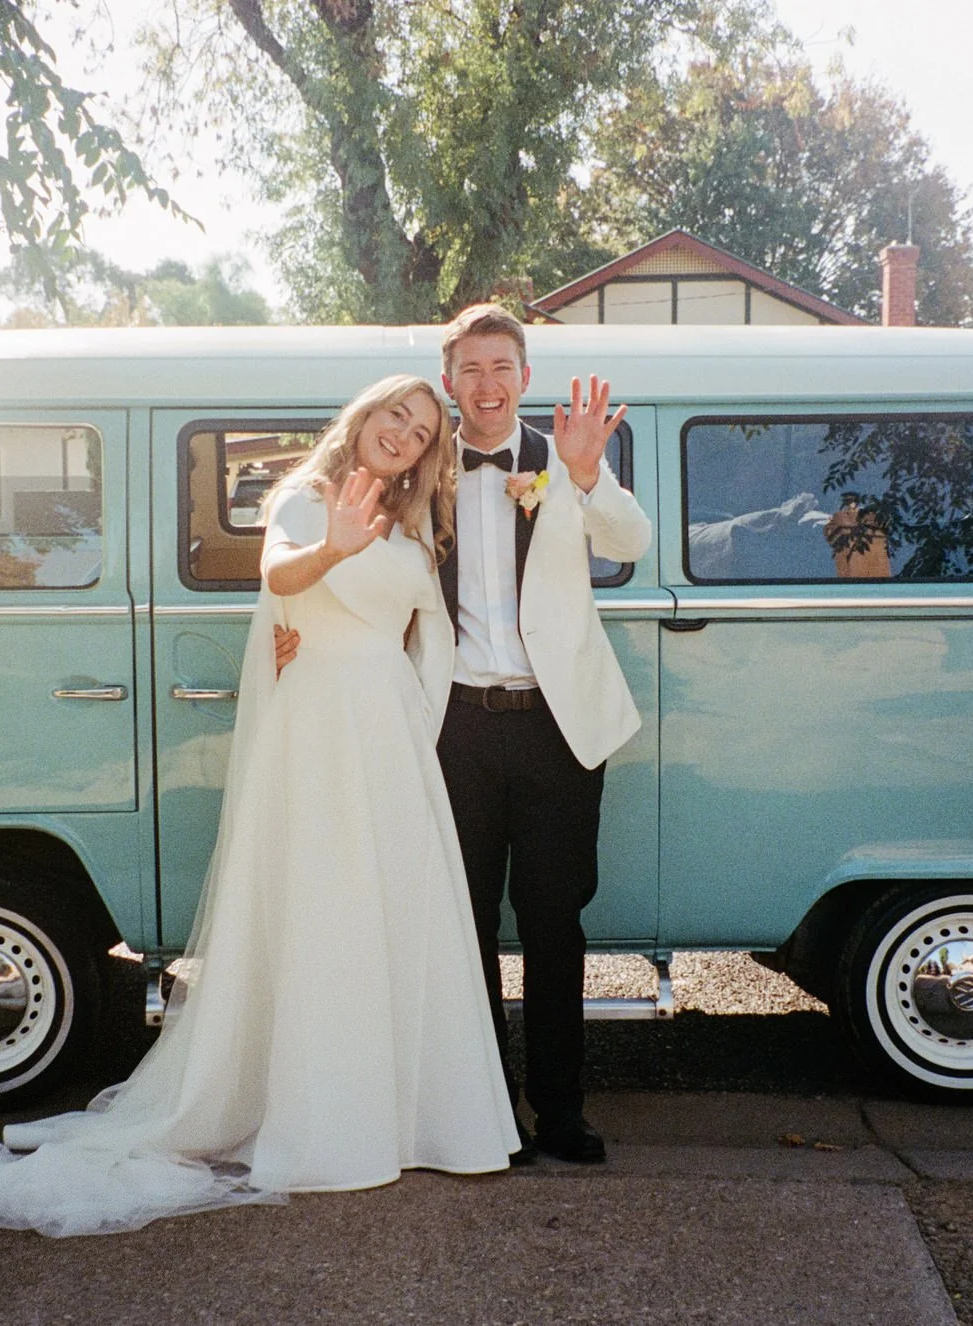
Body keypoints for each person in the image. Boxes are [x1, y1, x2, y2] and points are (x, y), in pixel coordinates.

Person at [0, 374, 520, 1237]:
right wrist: (333, 549)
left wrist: (420, 715)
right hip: (319, 726)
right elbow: (279, 572)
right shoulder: (306, 497)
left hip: (389, 731)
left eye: (420, 433)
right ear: (366, 416)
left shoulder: (414, 521)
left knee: (392, 911)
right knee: (325, 906)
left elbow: (428, 635)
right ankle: (328, 1120)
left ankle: (410, 1119)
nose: (404, 435)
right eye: (395, 416)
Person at [436, 304, 651, 1163]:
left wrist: (589, 475)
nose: (486, 385)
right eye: (470, 369)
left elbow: (632, 540)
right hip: (454, 729)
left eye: (501, 367)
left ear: (525, 377)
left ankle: (562, 1112)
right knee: (465, 925)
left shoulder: (565, 459)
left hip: (555, 729)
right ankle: (490, 1116)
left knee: (555, 921)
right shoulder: (424, 470)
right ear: (449, 381)